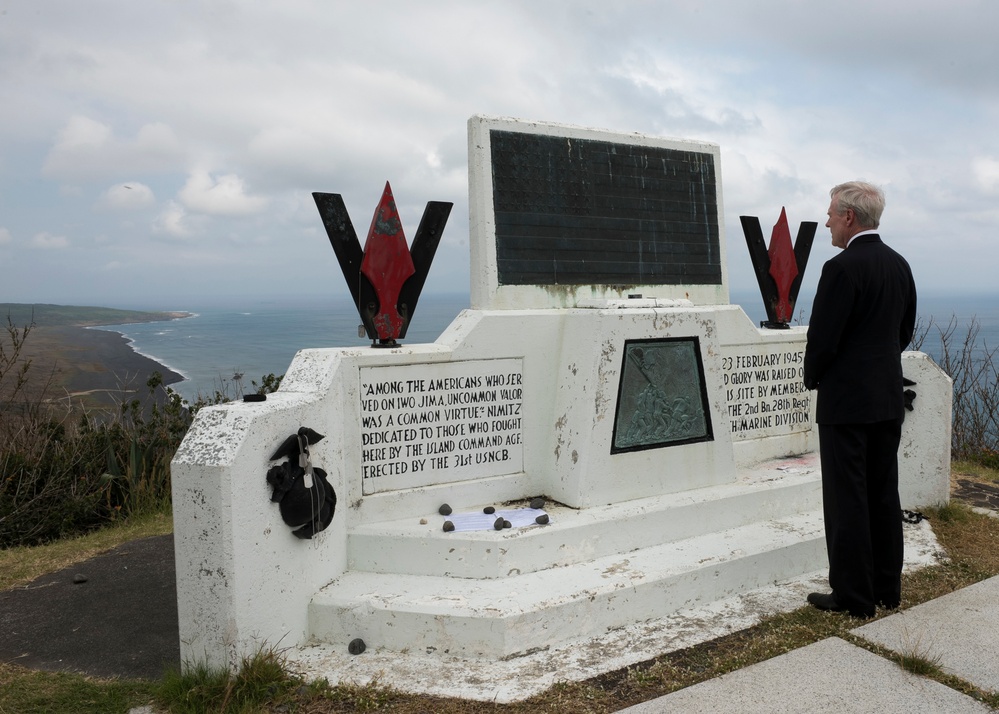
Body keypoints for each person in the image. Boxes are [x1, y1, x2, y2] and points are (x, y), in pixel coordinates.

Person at [803, 181, 917, 618]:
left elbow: (824, 339)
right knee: (883, 491)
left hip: (846, 402)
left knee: (847, 497)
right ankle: (887, 588)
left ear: (849, 217)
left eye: (832, 213)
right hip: (886, 397)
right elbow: (902, 331)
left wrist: (814, 378)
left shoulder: (841, 268)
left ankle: (853, 596)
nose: (828, 221)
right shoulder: (899, 264)